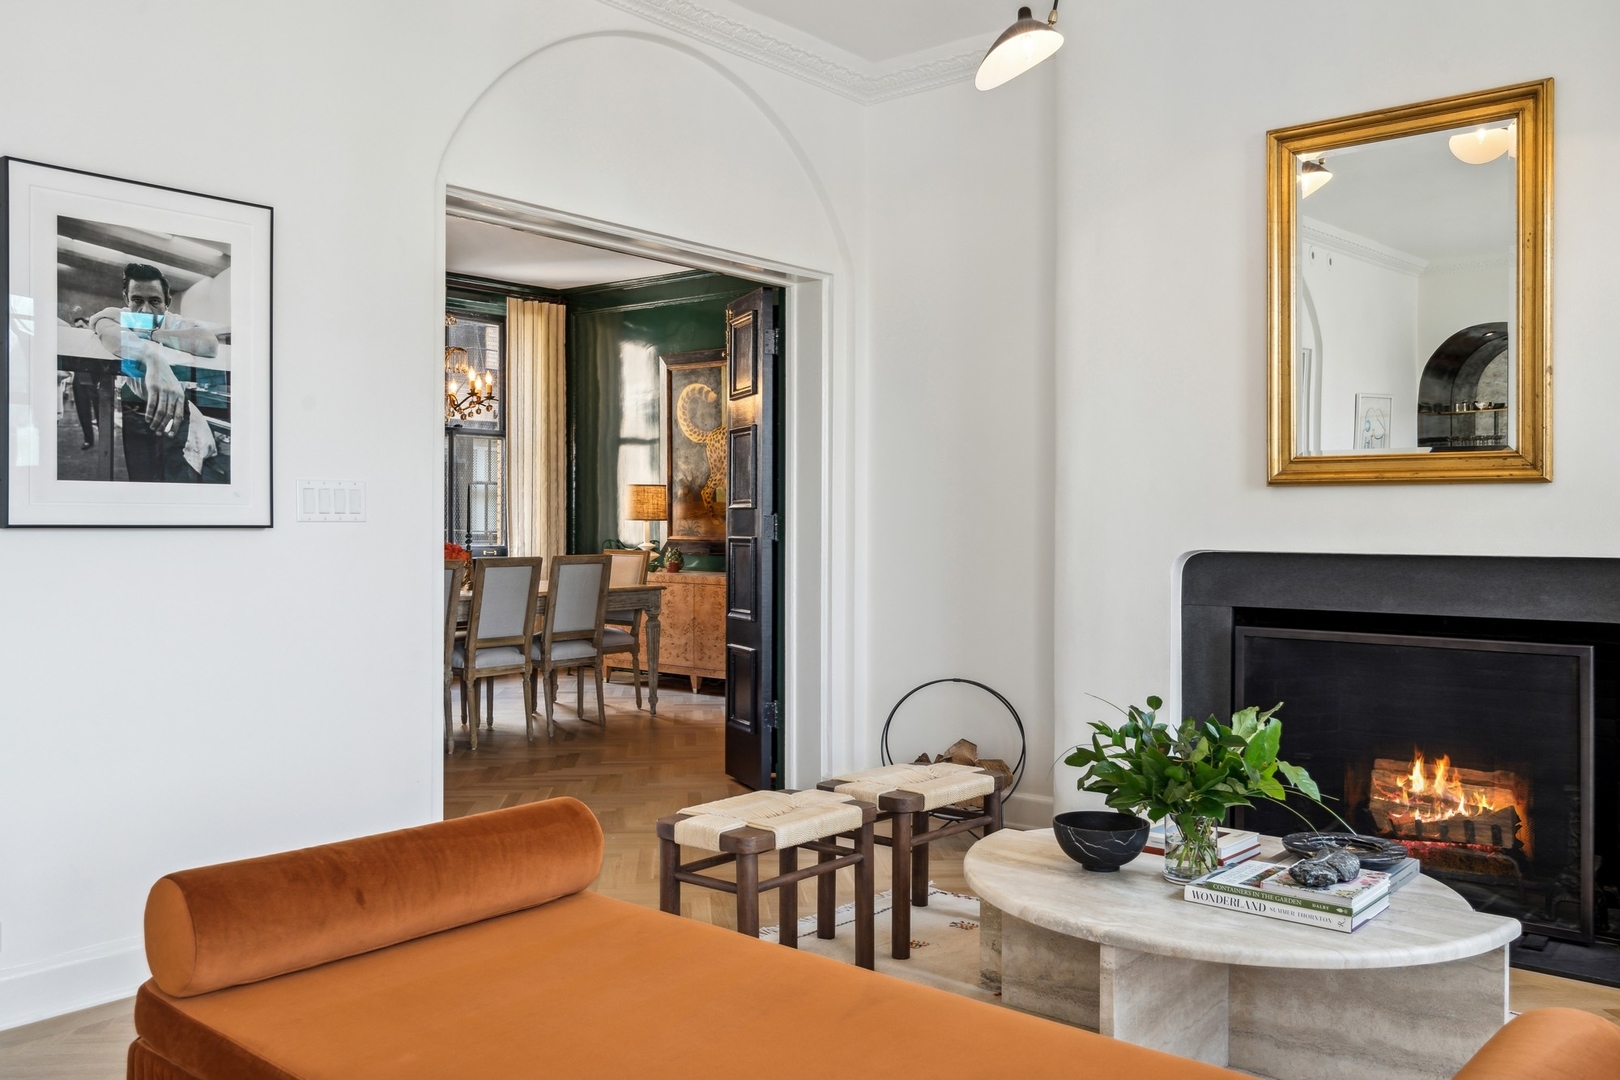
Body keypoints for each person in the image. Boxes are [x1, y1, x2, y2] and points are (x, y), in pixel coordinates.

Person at [87, 263, 220, 482]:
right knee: (141, 474)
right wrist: (151, 359)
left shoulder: (175, 322)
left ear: (167, 301)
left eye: (154, 301)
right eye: (137, 300)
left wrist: (152, 334)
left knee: (179, 474)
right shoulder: (121, 315)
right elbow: (104, 327)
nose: (145, 310)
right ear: (126, 298)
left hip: (175, 401)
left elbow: (209, 343)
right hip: (135, 404)